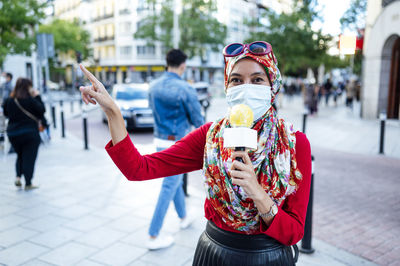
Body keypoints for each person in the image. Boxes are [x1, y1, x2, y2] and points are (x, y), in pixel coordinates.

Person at [79, 40, 312, 265]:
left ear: (273, 85)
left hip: (269, 257)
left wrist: (258, 193)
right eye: (237, 80)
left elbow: (294, 232)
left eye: (257, 79)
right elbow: (138, 168)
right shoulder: (210, 137)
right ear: (227, 87)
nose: (246, 87)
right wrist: (112, 112)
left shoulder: (295, 145)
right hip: (215, 254)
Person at [146, 48, 204, 249]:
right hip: (178, 142)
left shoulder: (153, 86)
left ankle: (184, 216)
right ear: (183, 66)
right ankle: (153, 235)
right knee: (169, 185)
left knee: (175, 181)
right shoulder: (186, 88)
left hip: (159, 140)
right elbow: (198, 120)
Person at [2, 78, 45, 190]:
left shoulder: (9, 100)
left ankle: (18, 177)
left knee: (20, 155)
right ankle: (28, 183)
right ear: (28, 87)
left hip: (13, 133)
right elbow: (41, 110)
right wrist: (37, 96)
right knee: (29, 158)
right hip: (30, 133)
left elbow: (6, 113)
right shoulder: (31, 100)